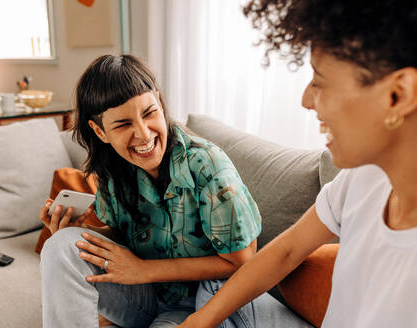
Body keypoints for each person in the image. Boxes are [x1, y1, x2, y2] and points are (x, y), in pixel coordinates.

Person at [177, 0, 417, 327]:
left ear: (398, 95)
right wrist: (198, 322)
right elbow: (285, 252)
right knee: (210, 293)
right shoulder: (363, 178)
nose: (306, 100)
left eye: (319, 81)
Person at [38, 54, 283, 328]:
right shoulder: (112, 169)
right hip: (147, 297)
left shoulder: (207, 166)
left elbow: (243, 262)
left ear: (160, 102)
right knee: (61, 246)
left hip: (205, 304)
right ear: (100, 131)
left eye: (149, 113)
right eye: (123, 124)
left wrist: (143, 271)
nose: (143, 134)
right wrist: (75, 233)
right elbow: (122, 238)